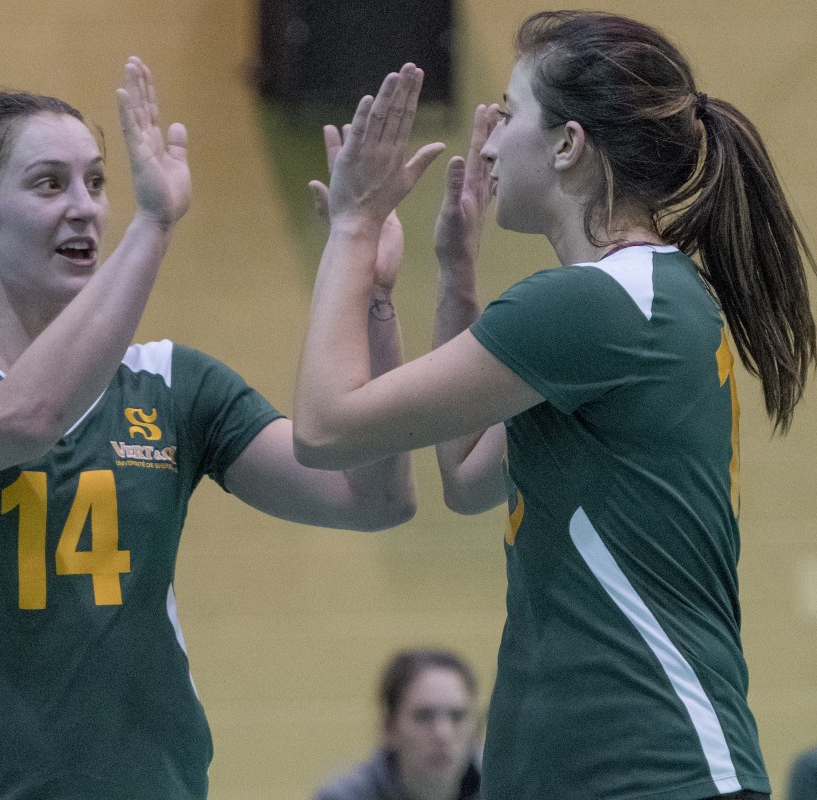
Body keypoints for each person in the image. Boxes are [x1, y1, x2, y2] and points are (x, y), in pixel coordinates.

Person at [0, 57, 416, 800]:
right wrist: (154, 224)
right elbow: (27, 417)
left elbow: (372, 497)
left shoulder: (175, 385)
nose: (84, 207)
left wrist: (372, 296)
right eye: (49, 184)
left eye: (95, 181)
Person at [293, 10, 817, 799]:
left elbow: (325, 428)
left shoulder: (598, 306)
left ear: (569, 144)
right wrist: (456, 274)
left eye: (508, 115)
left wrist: (354, 223)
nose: (489, 143)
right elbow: (466, 476)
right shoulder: (639, 302)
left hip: (648, 774)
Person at [313, 649, 482, 800]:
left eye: (457, 717)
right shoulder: (342, 796)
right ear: (389, 728)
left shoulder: (496, 791)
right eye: (424, 716)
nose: (443, 733)